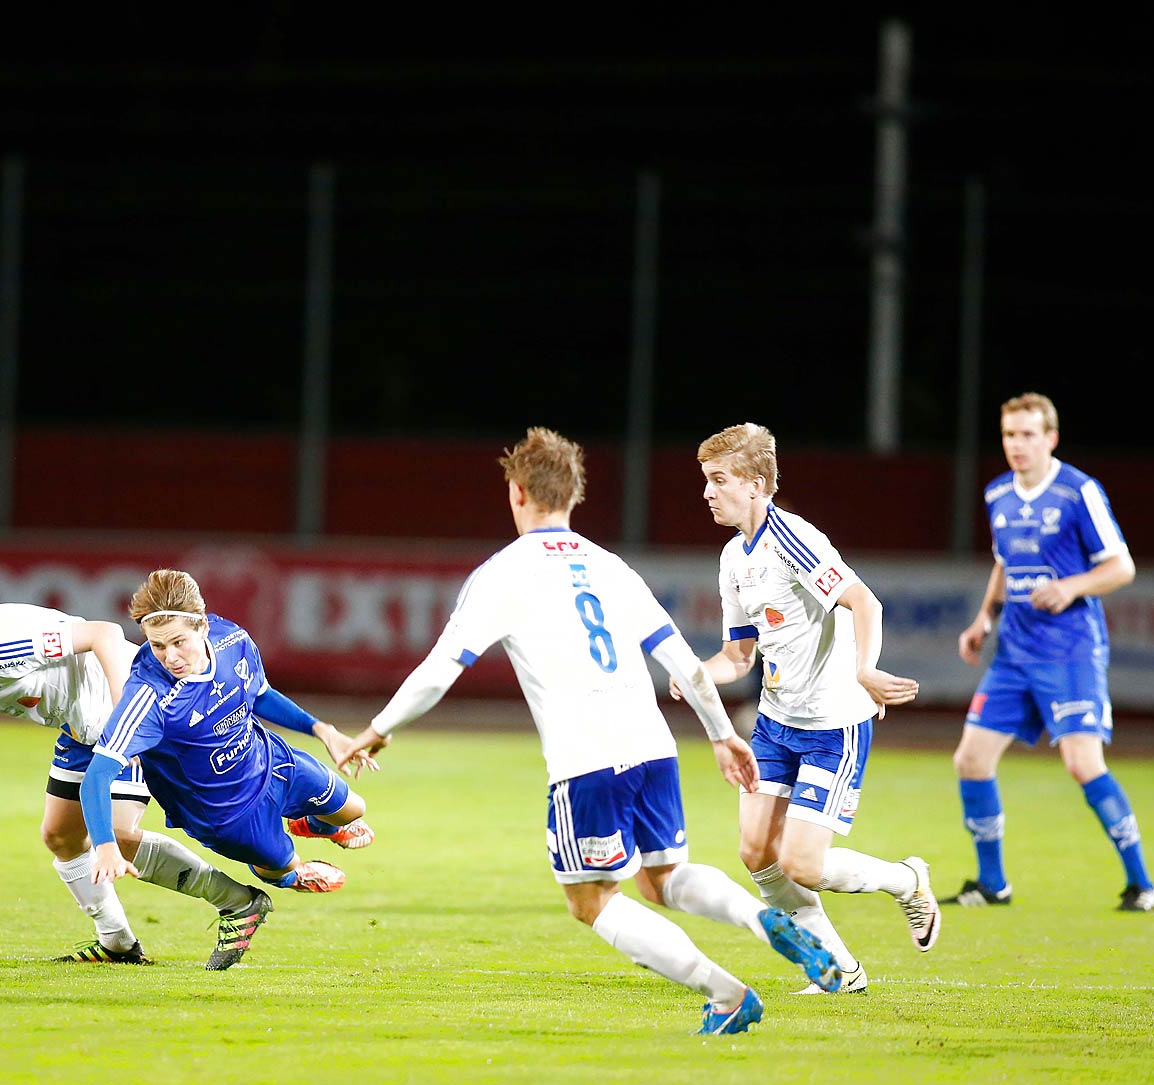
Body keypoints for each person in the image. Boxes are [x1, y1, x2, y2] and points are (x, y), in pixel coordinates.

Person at [336, 427, 842, 1037]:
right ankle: (764, 922)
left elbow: (441, 668)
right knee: (662, 879)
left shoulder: (504, 572)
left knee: (592, 901)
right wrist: (719, 736)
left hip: (586, 759)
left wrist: (379, 728)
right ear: (574, 495)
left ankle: (727, 992)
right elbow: (683, 663)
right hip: (654, 746)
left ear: (518, 493)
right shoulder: (610, 566)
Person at [0, 588, 278, 970]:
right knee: (60, 836)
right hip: (80, 726)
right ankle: (118, 944)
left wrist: (128, 720)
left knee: (116, 834)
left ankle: (237, 902)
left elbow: (104, 634)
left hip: (128, 709)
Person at [683, 423, 941, 995]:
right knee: (755, 853)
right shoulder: (732, 557)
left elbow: (863, 600)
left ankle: (906, 879)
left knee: (802, 865)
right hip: (776, 723)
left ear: (756, 485)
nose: (707, 492)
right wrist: (699, 673)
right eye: (706, 480)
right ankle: (840, 972)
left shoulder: (791, 538)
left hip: (833, 725)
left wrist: (865, 669)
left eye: (717, 480)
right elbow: (738, 655)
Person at [950, 393, 1154, 911]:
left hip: (1069, 651)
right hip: (1014, 653)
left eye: (1026, 435)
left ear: (1051, 438)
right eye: (1008, 435)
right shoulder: (998, 492)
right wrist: (984, 617)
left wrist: (1071, 587)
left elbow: (1121, 565)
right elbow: (1003, 563)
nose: (1016, 445)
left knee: (1082, 764)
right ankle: (993, 883)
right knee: (971, 760)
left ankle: (1143, 885)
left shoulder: (1077, 492)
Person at [80, 570, 378, 909]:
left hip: (270, 760)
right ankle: (287, 874)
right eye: (158, 645)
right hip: (226, 815)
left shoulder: (230, 639)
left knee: (355, 809)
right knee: (287, 867)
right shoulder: (147, 695)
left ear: (203, 627)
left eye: (179, 642)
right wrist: (105, 847)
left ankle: (308, 823)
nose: (170, 657)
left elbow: (260, 693)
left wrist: (322, 730)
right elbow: (95, 778)